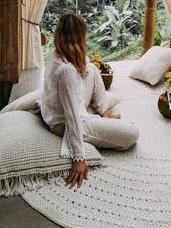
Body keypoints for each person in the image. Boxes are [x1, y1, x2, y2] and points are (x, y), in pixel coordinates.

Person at [40, 13, 139, 189]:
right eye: (84, 34)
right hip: (65, 121)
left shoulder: (57, 54)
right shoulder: (65, 71)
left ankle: (103, 110)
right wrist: (79, 158)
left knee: (90, 67)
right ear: (78, 37)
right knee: (131, 133)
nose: (86, 38)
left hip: (74, 103)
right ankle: (97, 120)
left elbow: (81, 71)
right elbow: (72, 116)